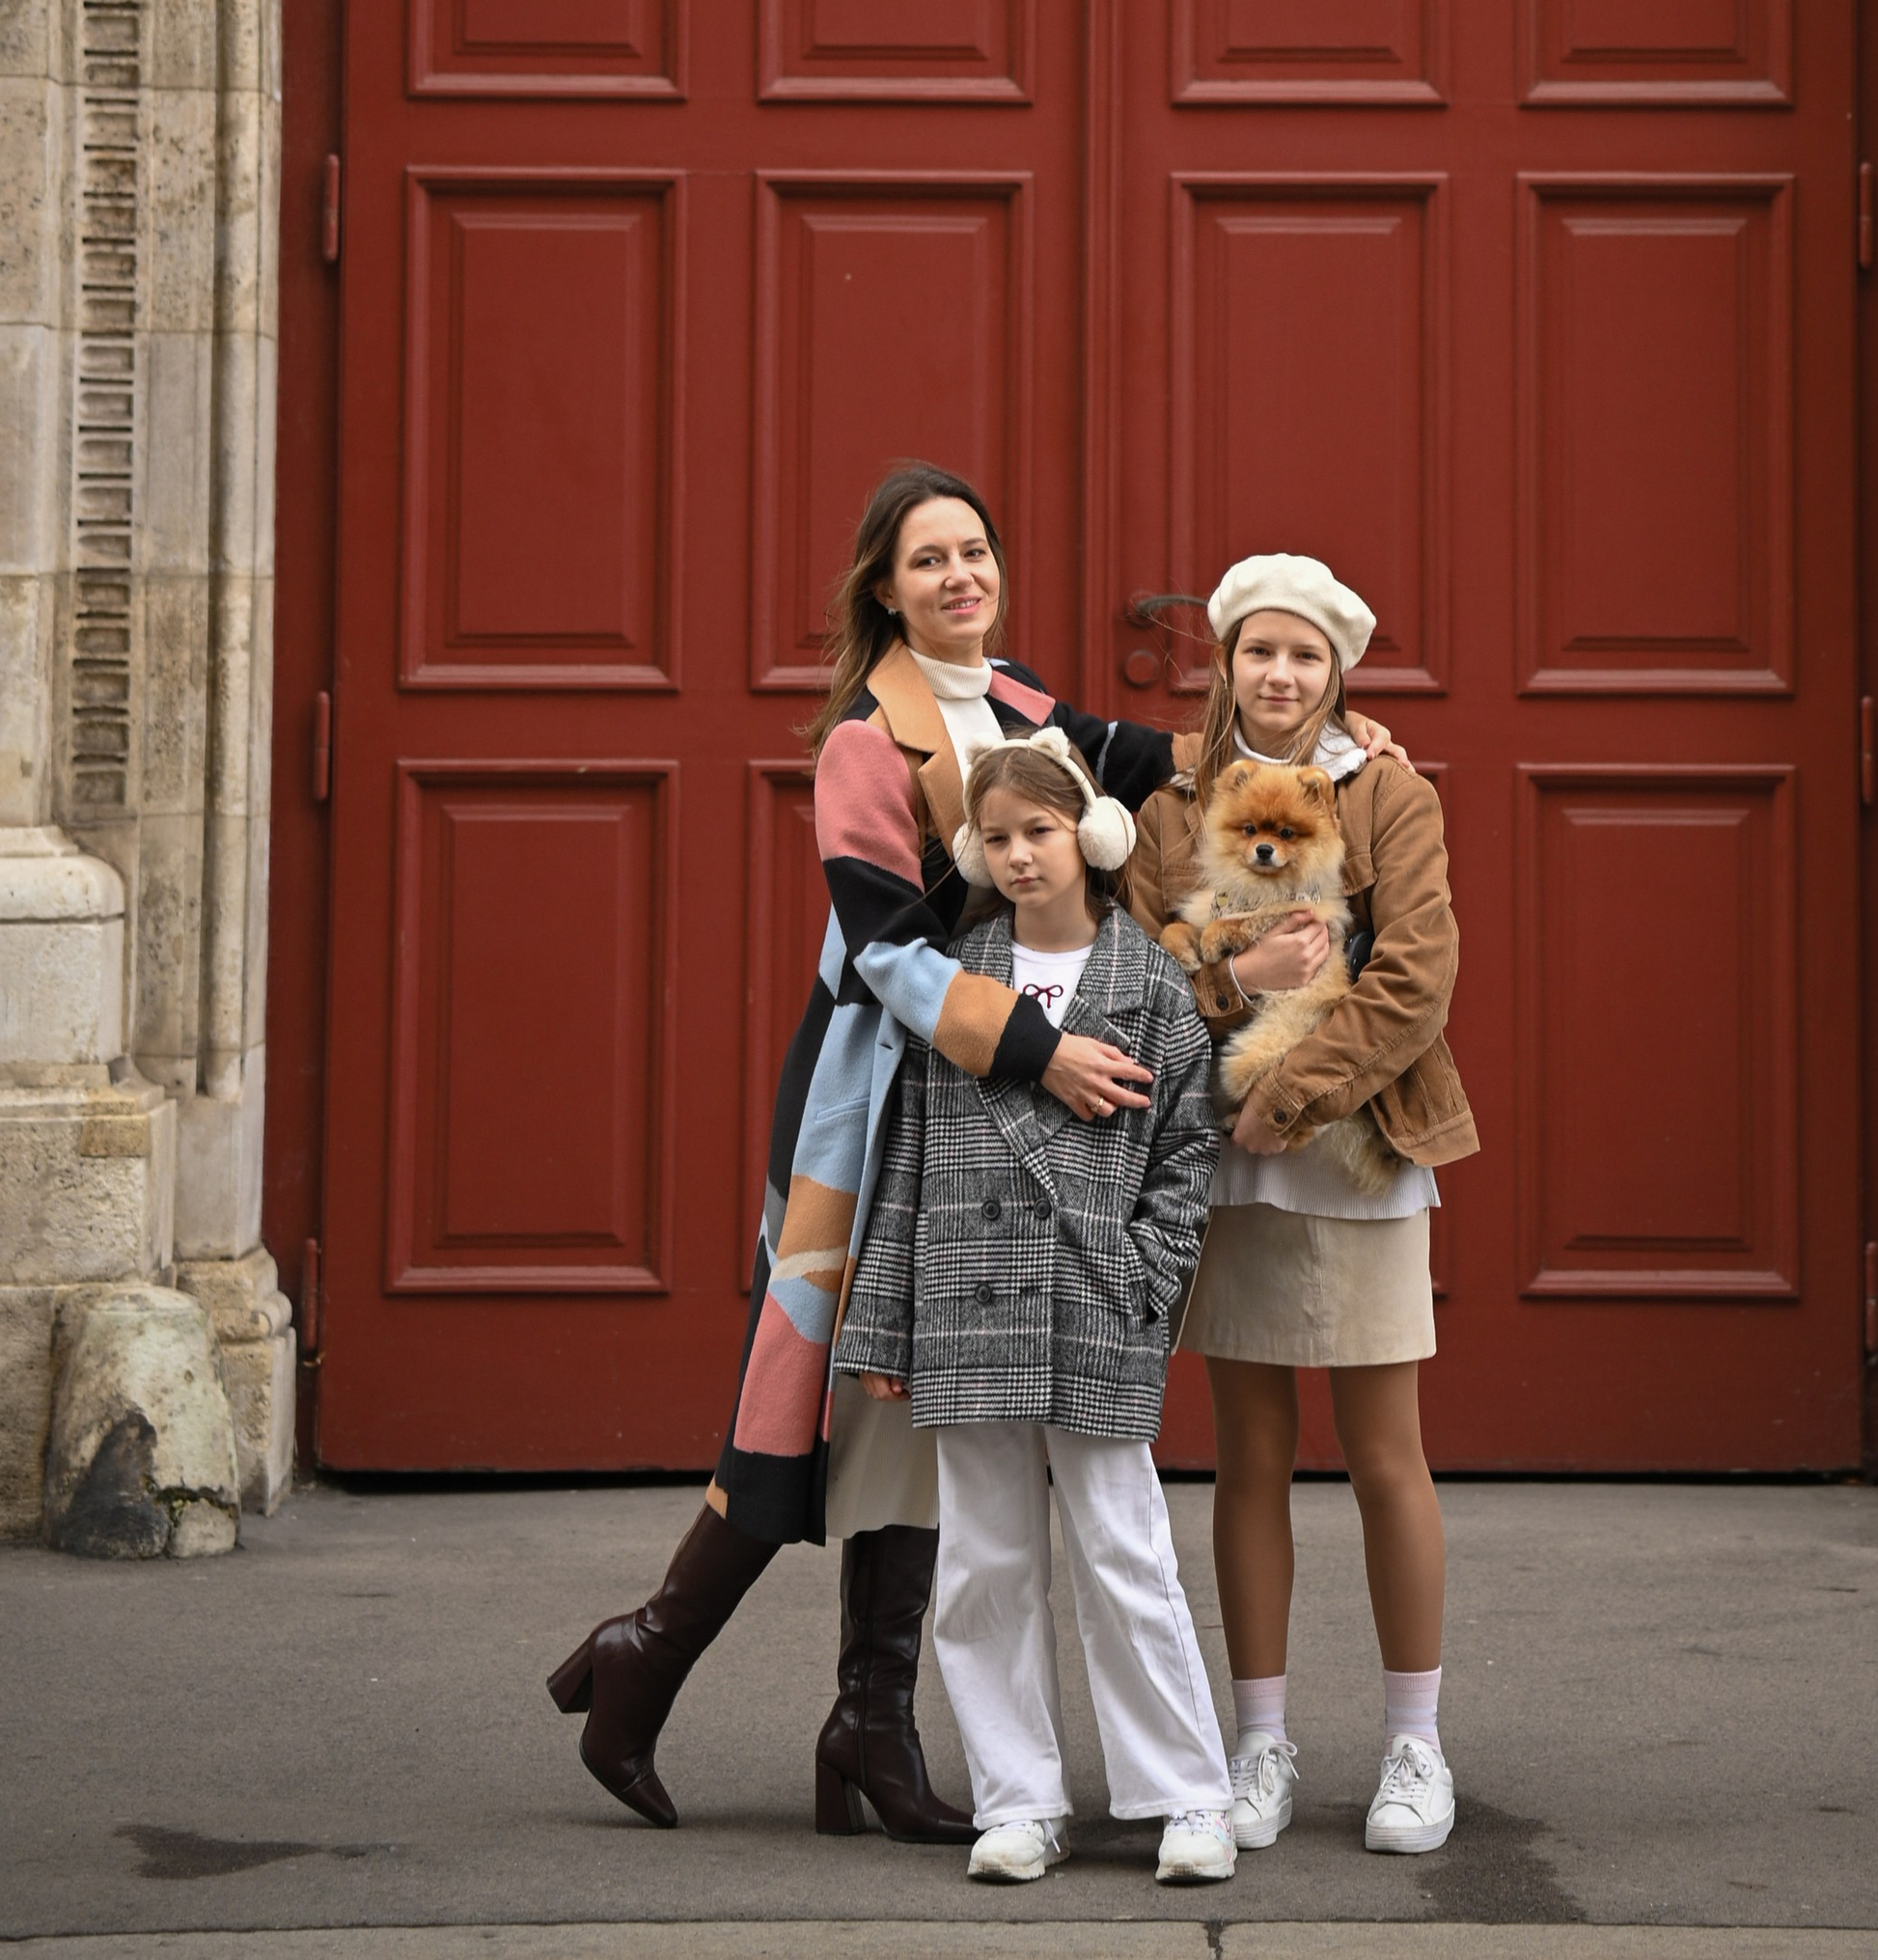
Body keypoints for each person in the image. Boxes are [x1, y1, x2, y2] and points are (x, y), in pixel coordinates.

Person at [547, 466, 1397, 1836]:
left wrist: (1337, 740)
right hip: (877, 1095)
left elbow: (1175, 760)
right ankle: (655, 1652)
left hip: (981, 1085)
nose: (961, 574)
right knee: (822, 1394)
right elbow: (883, 950)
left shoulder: (1021, 704)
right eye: (929, 558)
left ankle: (860, 1721)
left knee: (917, 1403)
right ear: (885, 586)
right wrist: (1036, 1046)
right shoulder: (859, 742)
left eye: (977, 551)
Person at [1125, 552, 1478, 1861]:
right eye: (1258, 650)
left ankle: (1415, 1738)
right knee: (1249, 1452)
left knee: (1388, 1451)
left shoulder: (1388, 789)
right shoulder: (1169, 797)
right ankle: (1257, 1736)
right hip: (1224, 1161)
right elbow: (1143, 971)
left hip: (1360, 1150)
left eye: (1307, 655)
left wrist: (1300, 1093)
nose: (1280, 675)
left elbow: (1417, 975)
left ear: (1340, 670)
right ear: (1226, 658)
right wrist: (1237, 986)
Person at [839, 736, 1234, 1887]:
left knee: (1124, 1548)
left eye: (1039, 832)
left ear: (1090, 837)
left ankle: (1186, 1793)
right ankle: (1019, 1797)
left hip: (1092, 1298)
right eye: (996, 837)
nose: (1018, 855)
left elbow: (1184, 1160)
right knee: (983, 1561)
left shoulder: (1150, 986)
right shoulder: (957, 987)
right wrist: (881, 1325)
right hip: (963, 1298)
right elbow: (903, 1162)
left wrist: (1145, 1283)